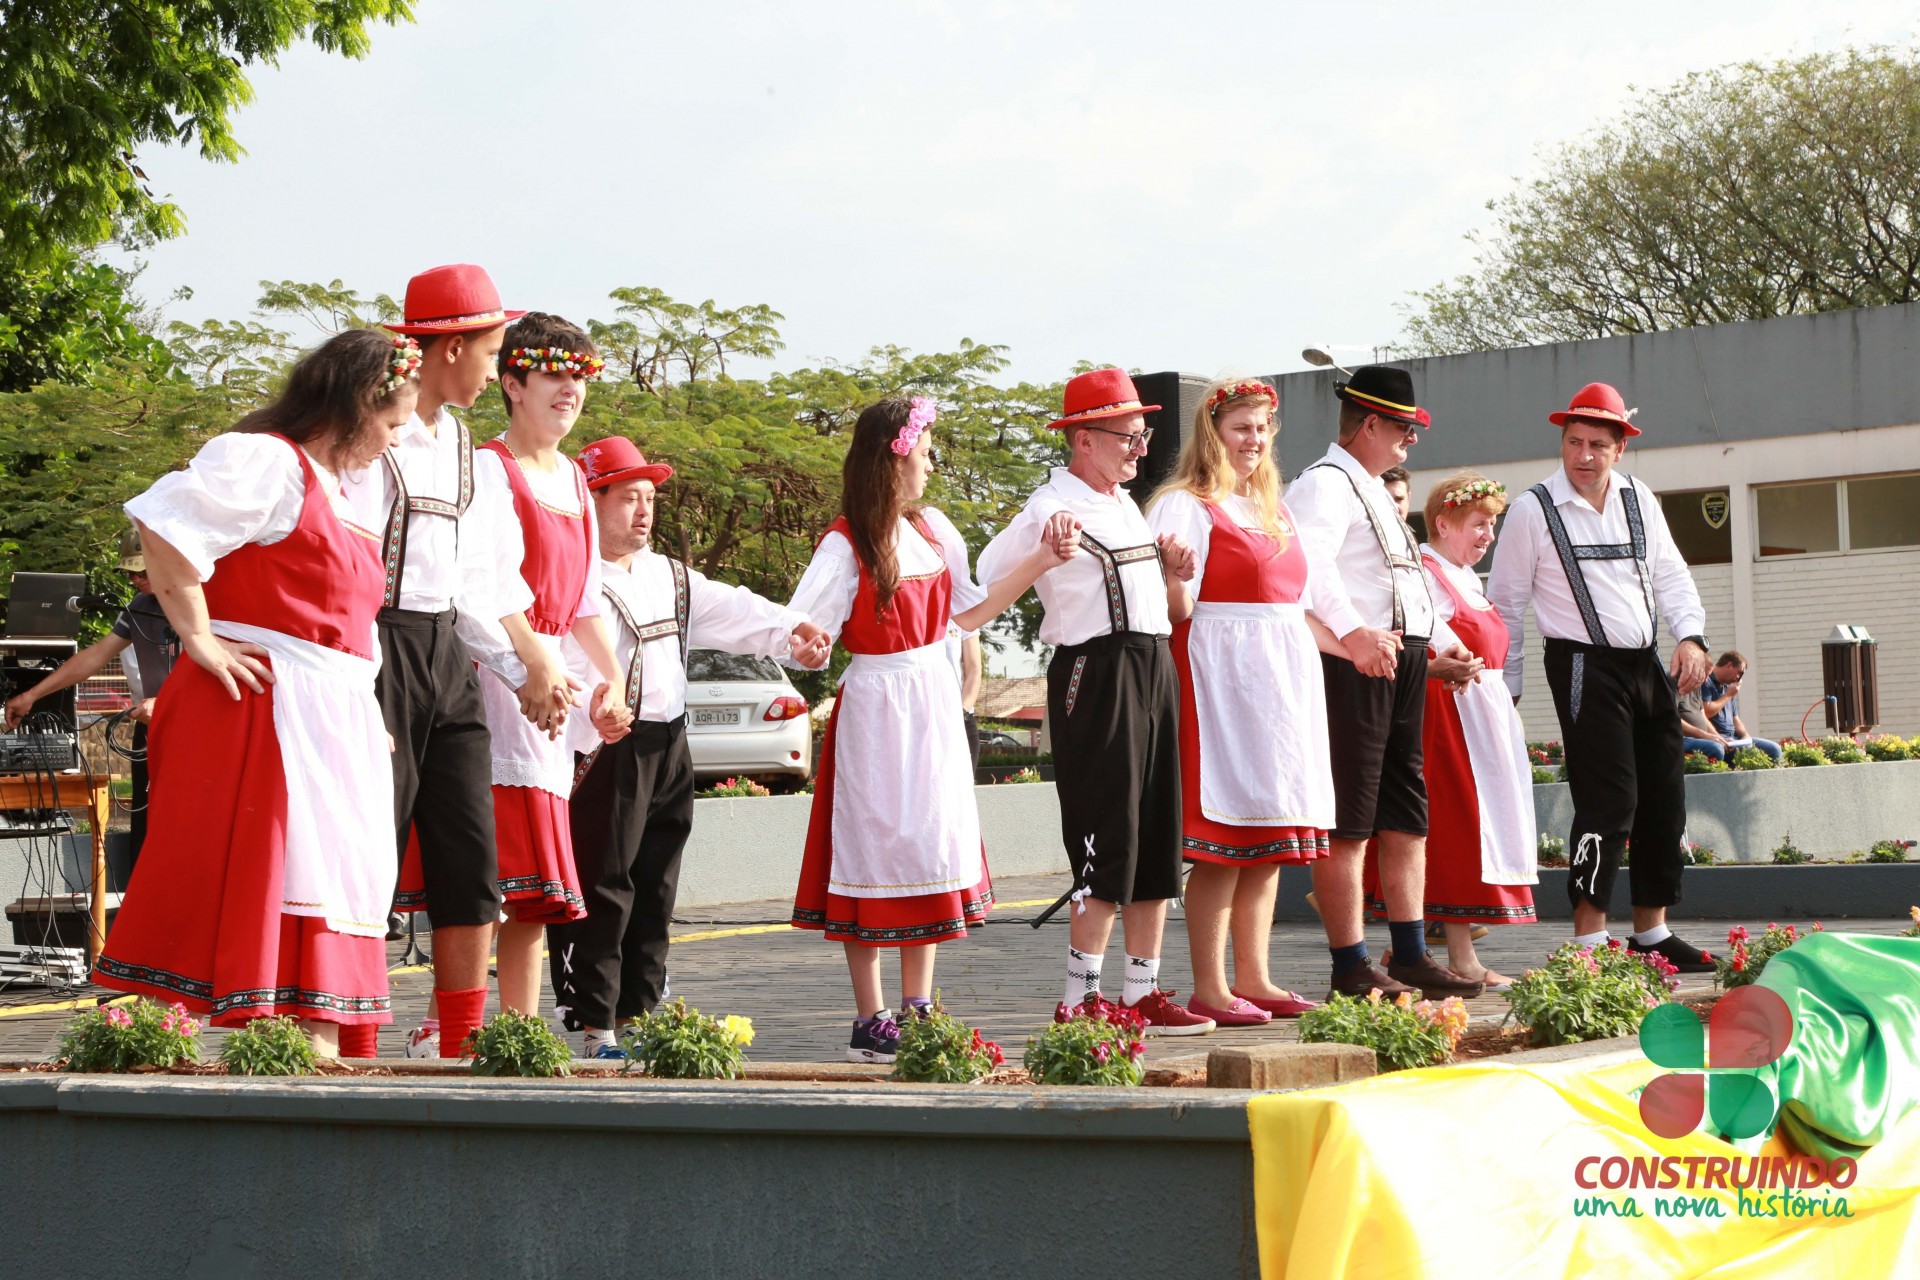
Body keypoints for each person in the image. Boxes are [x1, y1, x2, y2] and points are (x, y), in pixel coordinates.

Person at [93, 328, 417, 1056]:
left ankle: (306, 1047)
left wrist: (360, 706)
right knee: (266, 868)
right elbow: (163, 520)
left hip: (325, 714)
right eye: (392, 423)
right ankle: (227, 1054)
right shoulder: (271, 463)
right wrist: (198, 635)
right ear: (359, 404)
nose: (393, 443)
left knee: (324, 872)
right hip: (262, 705)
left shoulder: (341, 491)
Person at [791, 396, 1075, 1063]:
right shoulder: (846, 542)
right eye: (923, 453)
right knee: (871, 845)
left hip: (932, 701)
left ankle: (918, 1006)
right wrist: (805, 644)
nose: (929, 465)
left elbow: (969, 613)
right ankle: (871, 1016)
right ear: (894, 458)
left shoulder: (934, 530)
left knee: (924, 843)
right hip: (877, 704)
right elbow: (807, 626)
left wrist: (1040, 561)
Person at [342, 263, 565, 1059]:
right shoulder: (374, 434)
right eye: (492, 349)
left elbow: (487, 577)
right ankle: (354, 1032)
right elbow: (350, 562)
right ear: (449, 347)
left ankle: (466, 1041)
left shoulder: (467, 447)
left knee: (471, 851)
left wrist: (529, 664)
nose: (497, 367)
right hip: (374, 647)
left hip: (444, 651)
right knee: (366, 847)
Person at [549, 436, 829, 1058]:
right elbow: (548, 661)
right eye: (628, 498)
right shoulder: (569, 571)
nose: (643, 511)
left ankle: (642, 1015)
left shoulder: (671, 576)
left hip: (671, 743)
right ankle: (596, 1025)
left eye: (649, 498)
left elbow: (735, 610)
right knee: (603, 884)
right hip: (603, 747)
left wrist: (794, 630)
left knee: (657, 883)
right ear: (591, 502)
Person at [979, 367, 1216, 1036]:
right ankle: (1080, 998)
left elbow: (1173, 609)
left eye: (1143, 436)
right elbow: (985, 581)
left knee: (1153, 835)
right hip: (1095, 672)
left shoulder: (1119, 504)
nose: (1141, 449)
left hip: (1152, 666)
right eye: (1129, 437)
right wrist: (1042, 556)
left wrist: (1174, 573)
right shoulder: (1049, 507)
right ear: (1084, 439)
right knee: (1106, 834)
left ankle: (1140, 990)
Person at [1487, 381, 1716, 973]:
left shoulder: (1640, 498)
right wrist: (1505, 687)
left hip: (1646, 664)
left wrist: (1690, 635)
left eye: (1596, 445)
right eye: (1573, 442)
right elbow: (1505, 603)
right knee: (1608, 799)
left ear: (1620, 449)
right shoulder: (1533, 510)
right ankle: (1588, 938)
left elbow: (1671, 574)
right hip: (1582, 664)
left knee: (1665, 798)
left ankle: (1652, 932)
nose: (1583, 456)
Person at [1285, 365, 1485, 1000]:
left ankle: (1409, 951)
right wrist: (1351, 635)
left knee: (1406, 816)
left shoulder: (1371, 485)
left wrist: (1442, 643)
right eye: (1403, 426)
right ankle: (1349, 961)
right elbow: (1309, 569)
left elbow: (1406, 579)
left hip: (1398, 661)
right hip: (1354, 665)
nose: (1411, 439)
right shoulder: (1325, 484)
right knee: (1349, 820)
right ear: (1368, 423)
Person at [1145, 377, 1339, 1026]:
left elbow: (1302, 601)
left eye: (1262, 429)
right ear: (1213, 432)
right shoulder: (1185, 506)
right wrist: (1172, 577)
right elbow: (1174, 609)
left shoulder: (1274, 508)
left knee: (1269, 838)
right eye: (1241, 428)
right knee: (1225, 841)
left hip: (1280, 680)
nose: (1254, 441)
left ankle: (1256, 977)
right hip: (1220, 673)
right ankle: (1211, 985)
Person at [459, 313, 634, 1018]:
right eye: (555, 376)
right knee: (488, 875)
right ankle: (457, 1024)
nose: (570, 391)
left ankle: (520, 1032)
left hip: (551, 685)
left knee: (531, 889)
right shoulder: (488, 468)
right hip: (497, 679)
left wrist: (611, 679)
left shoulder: (569, 475)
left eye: (581, 378)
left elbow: (586, 597)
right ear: (512, 382)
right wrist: (527, 668)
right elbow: (480, 588)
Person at [1388, 473, 1538, 990]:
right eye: (1478, 524)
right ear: (1444, 523)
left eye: (1492, 524)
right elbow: (1427, 642)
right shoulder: (1428, 576)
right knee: (1457, 826)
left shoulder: (1463, 577)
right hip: (1448, 711)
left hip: (1479, 713)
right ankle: (1455, 955)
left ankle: (1429, 948)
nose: (1487, 535)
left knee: (1469, 825)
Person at [4, 529, 178, 868]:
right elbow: (93, 657)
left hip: (195, 728)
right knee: (148, 823)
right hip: (154, 730)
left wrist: (168, 702)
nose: (134, 579)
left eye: (142, 571)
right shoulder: (139, 607)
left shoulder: (203, 604)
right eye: (129, 572)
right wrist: (32, 695)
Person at [1701, 652, 1780, 762]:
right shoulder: (1706, 682)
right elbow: (1707, 711)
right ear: (1729, 665)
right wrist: (1728, 695)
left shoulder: (1728, 687)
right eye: (1740, 672)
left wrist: (1745, 736)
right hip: (1718, 737)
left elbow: (1735, 719)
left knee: (1774, 749)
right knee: (1746, 749)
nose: (1738, 678)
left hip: (1734, 738)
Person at [1677, 687, 1727, 761]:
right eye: (1706, 675)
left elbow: (1703, 718)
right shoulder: (1674, 683)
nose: (1707, 679)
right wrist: (1705, 735)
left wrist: (1719, 738)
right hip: (1681, 739)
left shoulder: (1697, 687)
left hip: (1700, 739)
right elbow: (1673, 719)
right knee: (1716, 749)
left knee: (1732, 749)